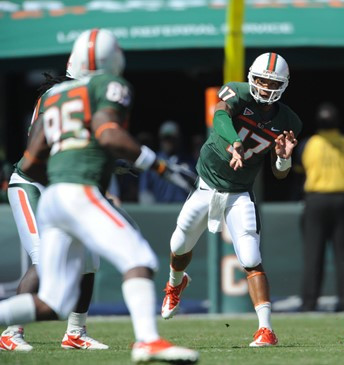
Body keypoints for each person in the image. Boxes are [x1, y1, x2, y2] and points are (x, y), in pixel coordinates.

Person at [0, 28, 198, 364]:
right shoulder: (108, 86)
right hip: (71, 189)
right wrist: (158, 166)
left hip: (56, 192)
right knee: (139, 256)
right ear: (114, 59)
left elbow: (33, 159)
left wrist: (81, 161)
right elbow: (108, 132)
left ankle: (72, 332)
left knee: (54, 302)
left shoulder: (54, 96)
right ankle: (147, 340)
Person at [160, 52, 302, 347]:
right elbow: (220, 114)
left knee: (251, 257)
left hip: (239, 191)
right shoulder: (237, 93)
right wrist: (234, 142)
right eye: (261, 80)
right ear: (252, 77)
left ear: (284, 85)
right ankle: (175, 285)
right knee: (178, 244)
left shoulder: (289, 121)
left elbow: (279, 175)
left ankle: (266, 329)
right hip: (207, 183)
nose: (264, 87)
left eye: (271, 82)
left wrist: (283, 160)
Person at [0, 75, 108, 351]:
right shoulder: (60, 98)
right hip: (31, 184)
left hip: (57, 187)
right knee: (43, 258)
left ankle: (75, 332)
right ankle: (10, 333)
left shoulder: (70, 102)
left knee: (88, 259)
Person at [299, 102, 344, 311]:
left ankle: (309, 302)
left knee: (313, 254)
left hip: (316, 199)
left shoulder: (310, 143)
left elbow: (300, 166)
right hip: (341, 199)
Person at [138, 121, 196, 204]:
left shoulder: (190, 162)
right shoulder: (152, 161)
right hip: (159, 212)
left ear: (179, 139)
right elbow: (144, 191)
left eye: (172, 138)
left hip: (184, 211)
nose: (169, 142)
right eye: (166, 138)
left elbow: (198, 190)